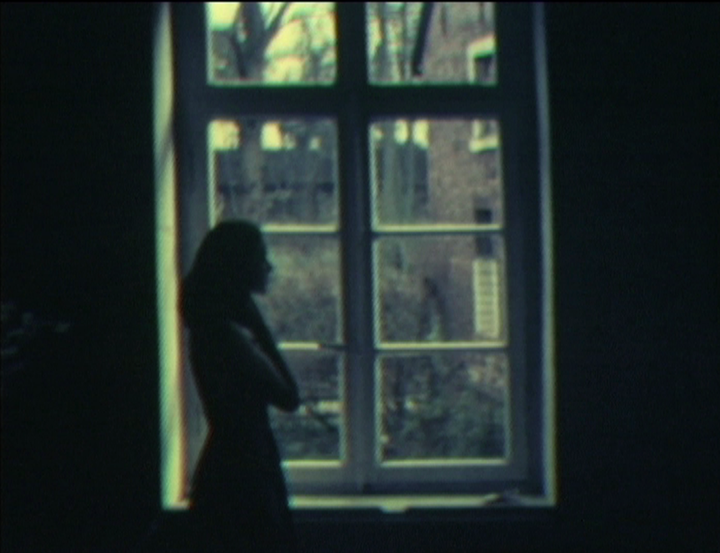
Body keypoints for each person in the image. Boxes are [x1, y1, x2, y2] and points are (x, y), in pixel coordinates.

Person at [180, 220, 300, 552]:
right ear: (239, 266)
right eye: (261, 257)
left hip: (231, 463)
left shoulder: (212, 330)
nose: (268, 266)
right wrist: (260, 329)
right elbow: (289, 396)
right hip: (245, 471)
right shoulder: (229, 338)